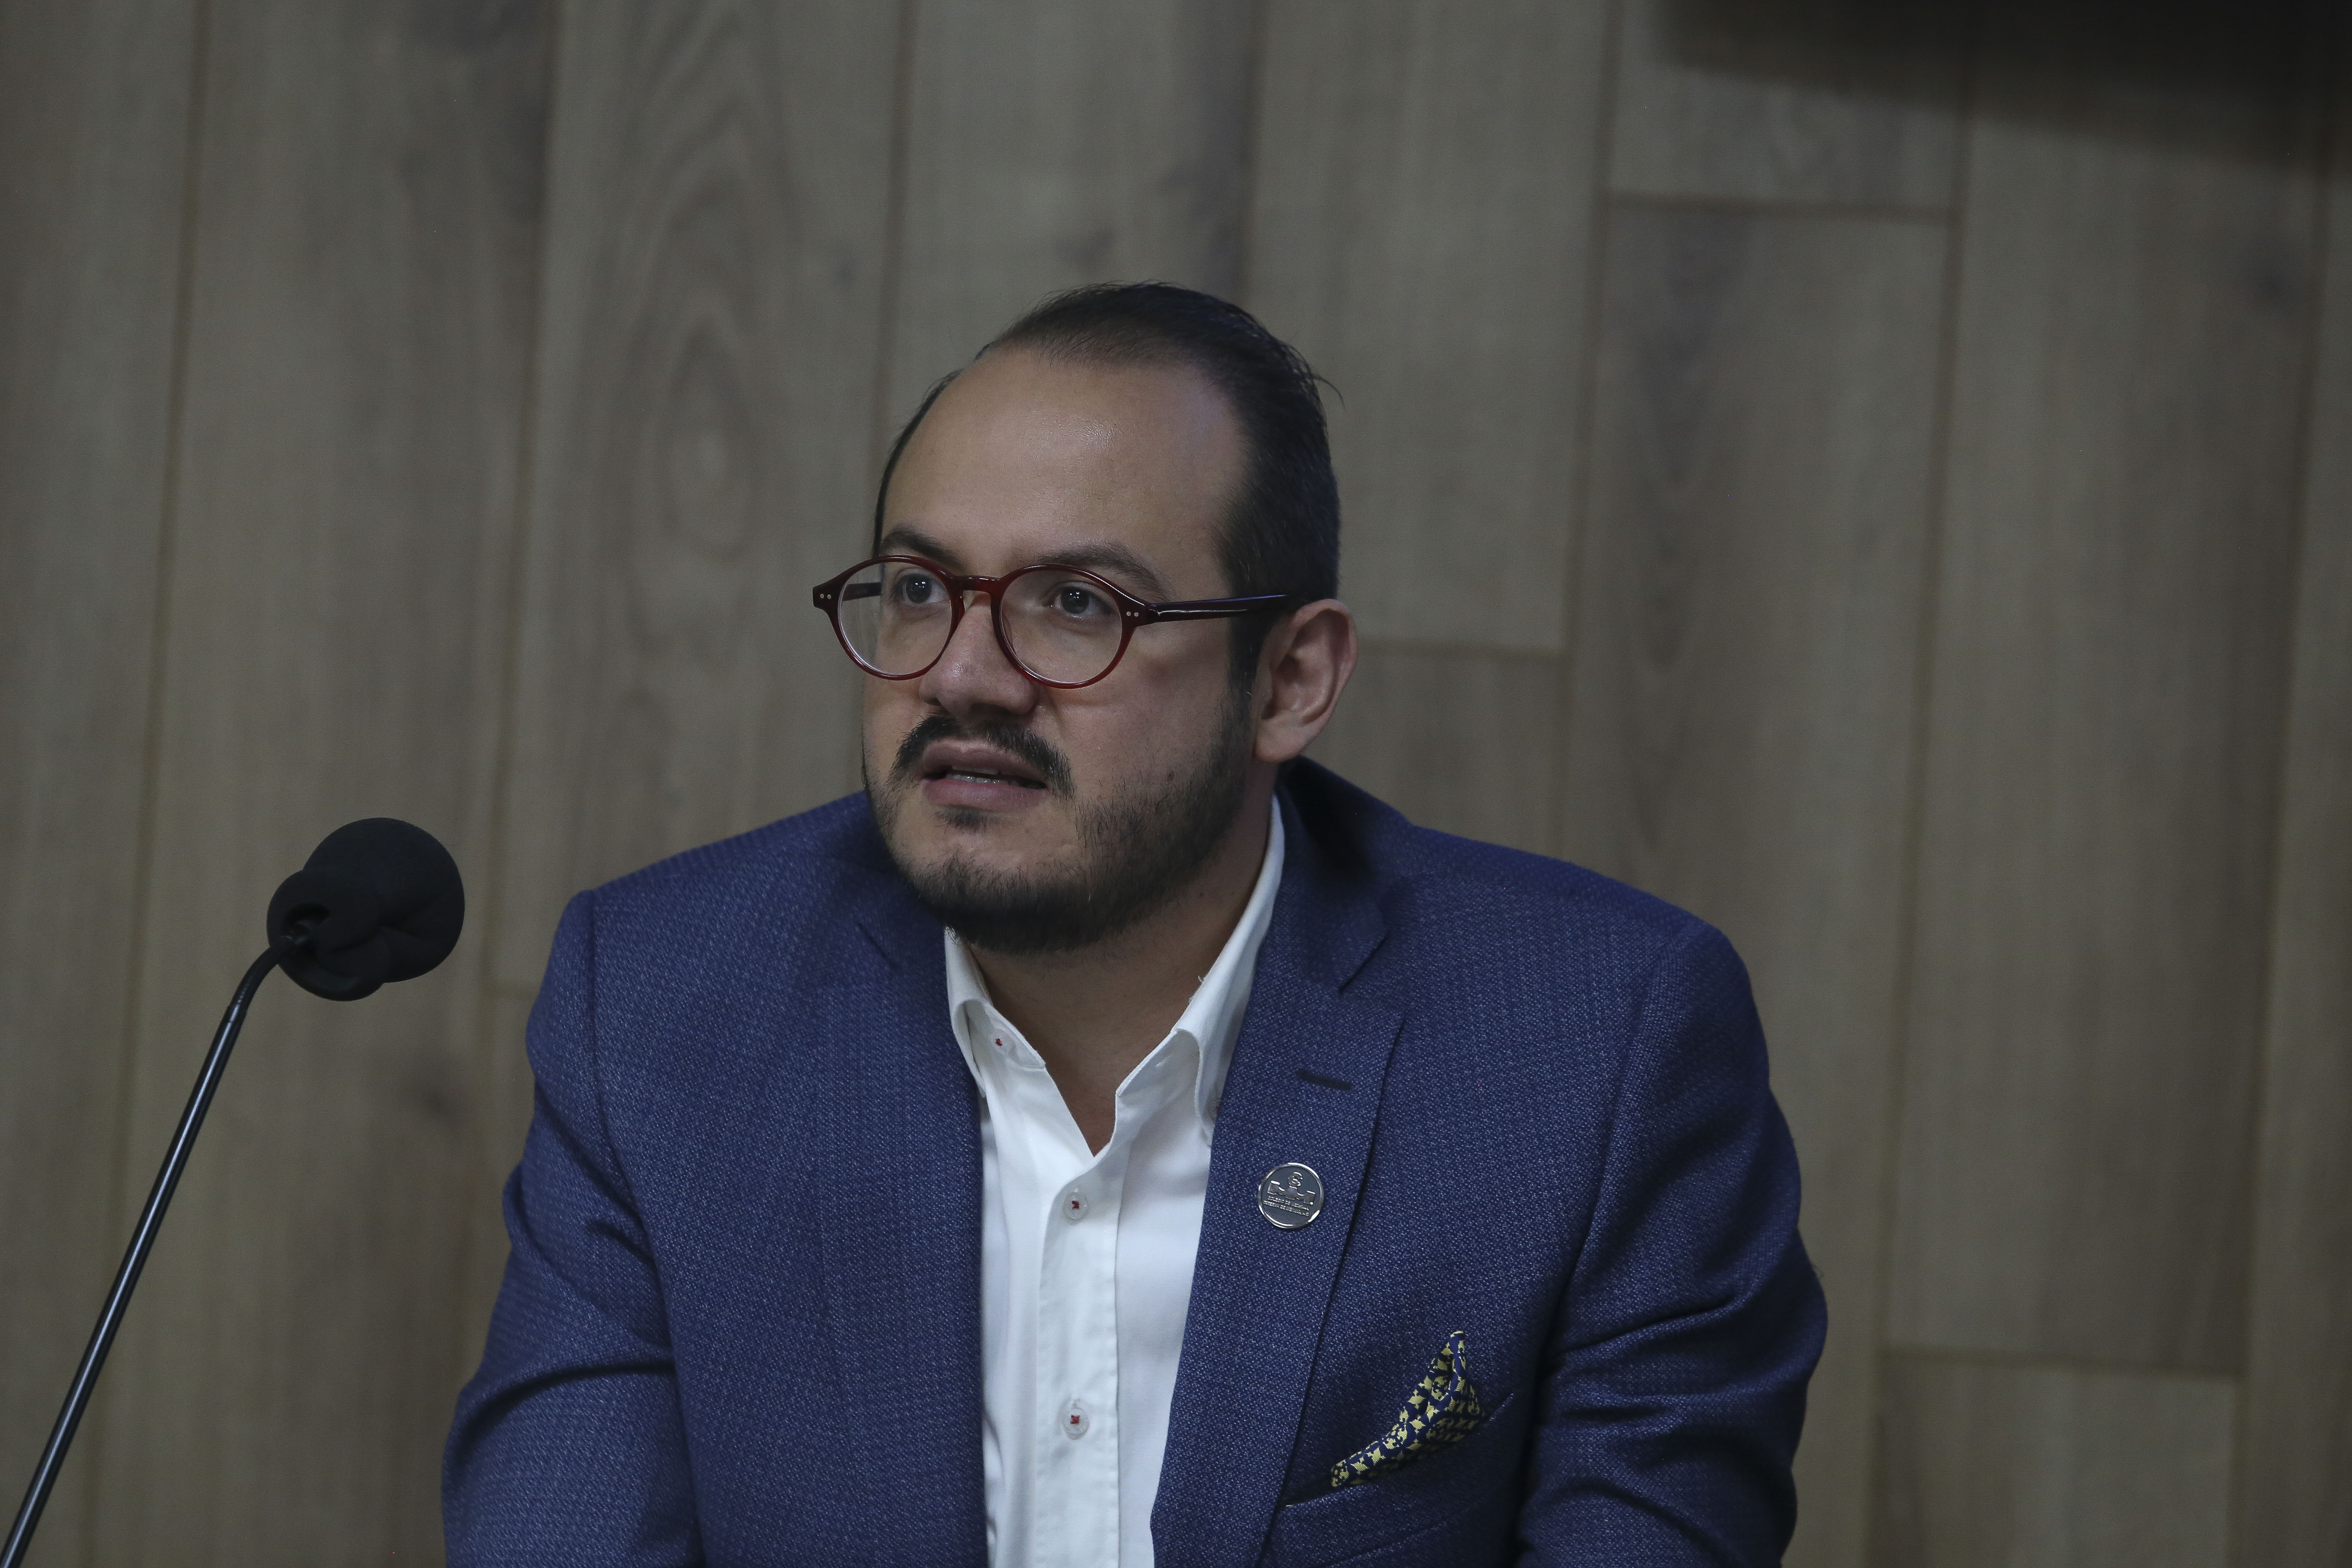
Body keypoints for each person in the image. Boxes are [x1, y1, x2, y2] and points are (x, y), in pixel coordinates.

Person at [444, 283, 1823, 1567]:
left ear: (1289, 681)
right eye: (919, 588)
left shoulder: (1595, 1054)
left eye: (1075, 605)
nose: (963, 676)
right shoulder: (664, 1009)